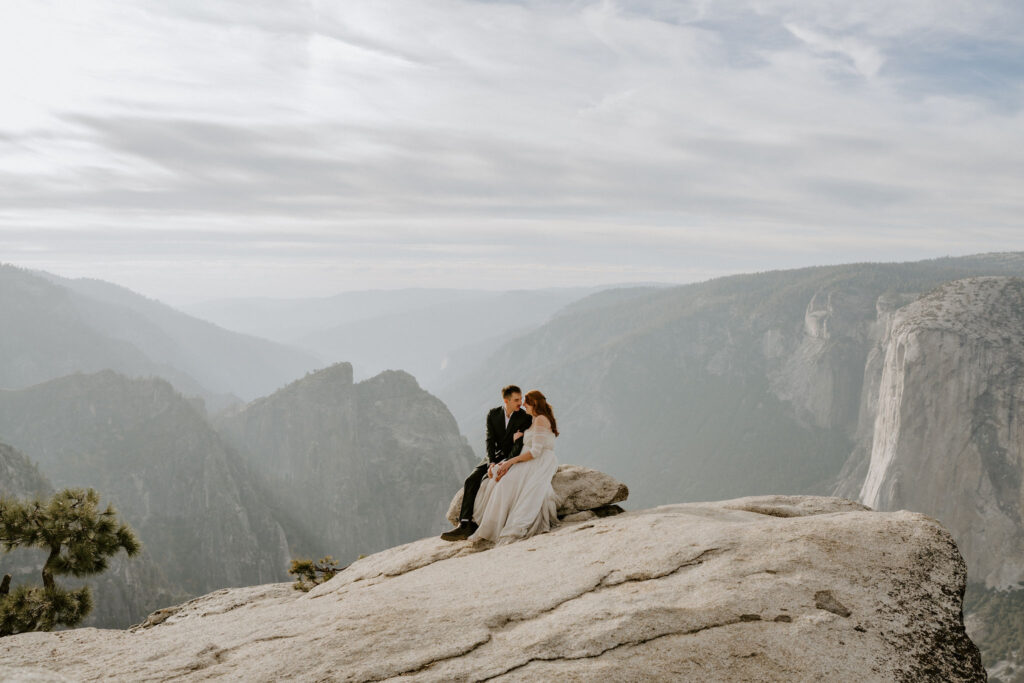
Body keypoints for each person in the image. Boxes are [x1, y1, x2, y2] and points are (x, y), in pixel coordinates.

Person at [441, 385, 532, 541]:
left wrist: (505, 463)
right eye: (516, 400)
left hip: (510, 457)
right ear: (506, 400)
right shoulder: (493, 414)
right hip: (492, 457)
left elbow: (518, 445)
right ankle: (464, 525)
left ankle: (483, 524)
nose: (520, 402)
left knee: (493, 484)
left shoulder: (524, 417)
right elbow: (489, 440)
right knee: (471, 480)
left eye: (521, 398)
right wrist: (491, 463)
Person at [468, 390, 559, 544]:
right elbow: (536, 438)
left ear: (533, 404)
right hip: (528, 459)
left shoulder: (541, 419)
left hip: (538, 461)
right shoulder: (536, 419)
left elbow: (536, 451)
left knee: (505, 484)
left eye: (525, 402)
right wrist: (522, 437)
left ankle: (497, 527)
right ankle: (491, 526)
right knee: (499, 483)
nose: (523, 404)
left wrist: (510, 462)